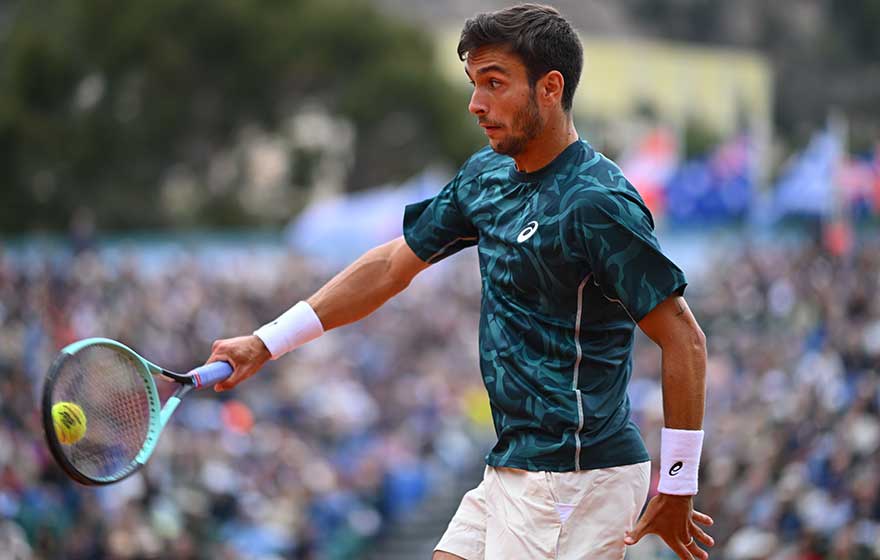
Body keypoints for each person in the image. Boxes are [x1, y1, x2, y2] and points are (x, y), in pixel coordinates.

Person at [206, 4, 713, 559]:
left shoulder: (598, 203)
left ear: (550, 88)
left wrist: (678, 482)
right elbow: (391, 266)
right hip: (514, 465)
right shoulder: (485, 175)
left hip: (575, 477)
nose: (476, 103)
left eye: (494, 83)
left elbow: (684, 339)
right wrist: (266, 342)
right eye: (474, 83)